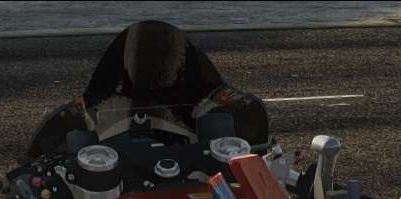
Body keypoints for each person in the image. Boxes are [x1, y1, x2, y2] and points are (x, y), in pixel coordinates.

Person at [24, 20, 270, 163]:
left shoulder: (210, 95)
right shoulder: (102, 101)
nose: (153, 58)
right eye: (146, 51)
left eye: (161, 49)